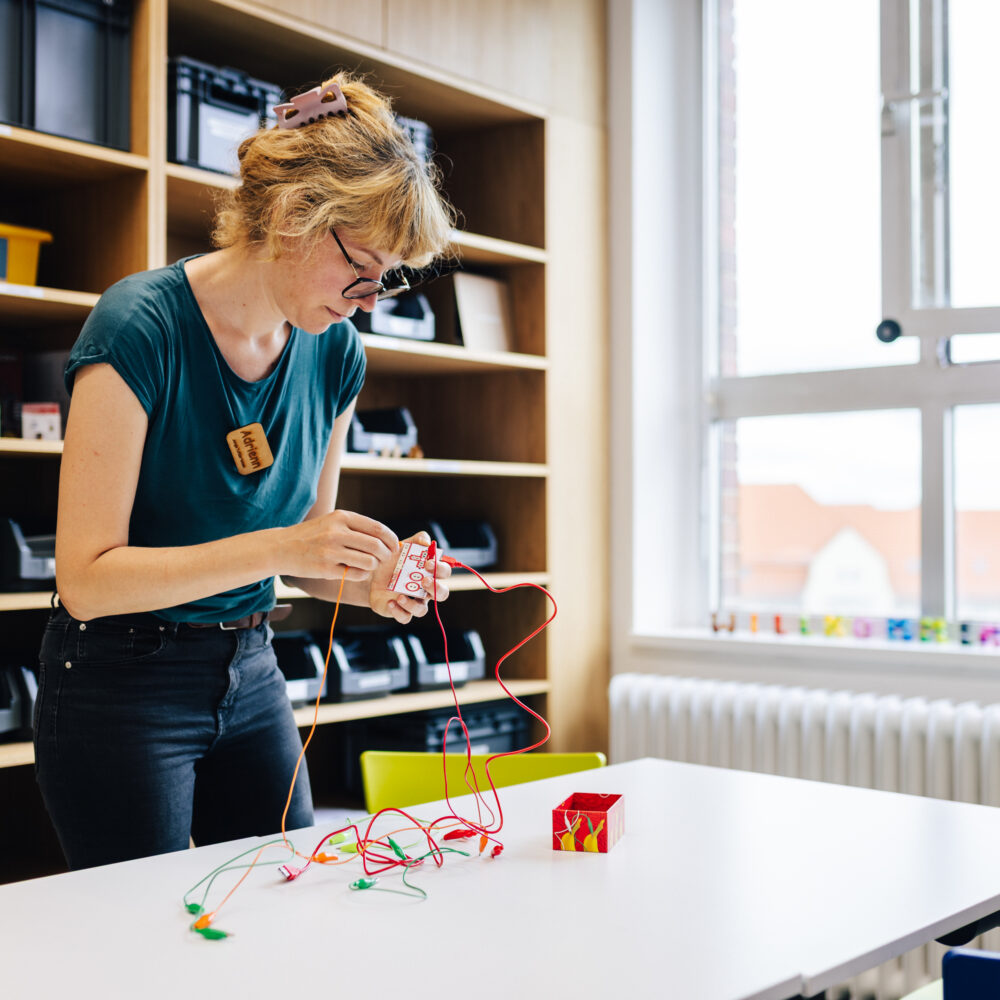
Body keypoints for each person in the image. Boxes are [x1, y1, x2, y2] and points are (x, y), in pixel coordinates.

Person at [33, 73, 456, 870]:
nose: (368, 300)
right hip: (118, 679)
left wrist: (371, 580)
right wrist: (283, 551)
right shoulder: (138, 326)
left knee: (281, 908)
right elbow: (87, 580)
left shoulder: (337, 352)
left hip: (250, 668)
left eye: (388, 280)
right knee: (143, 946)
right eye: (362, 270)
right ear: (296, 218)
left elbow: (308, 561)